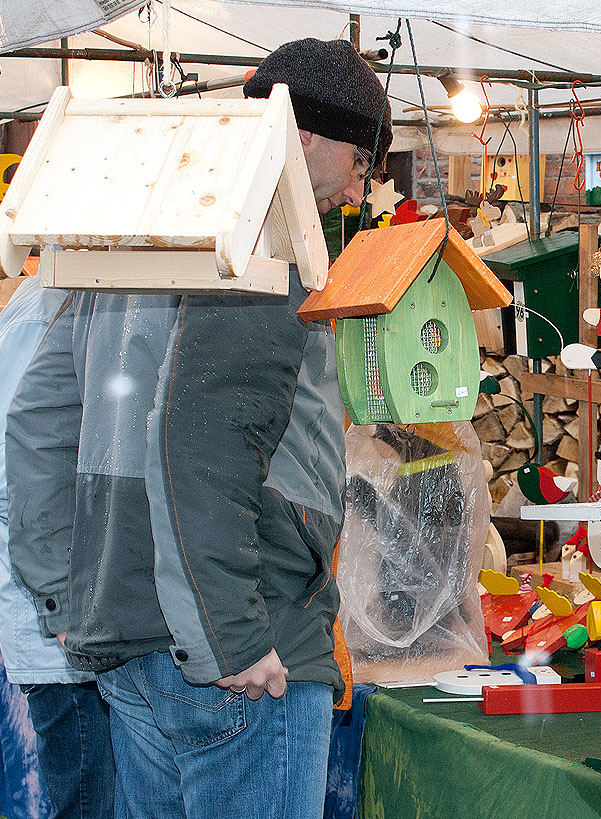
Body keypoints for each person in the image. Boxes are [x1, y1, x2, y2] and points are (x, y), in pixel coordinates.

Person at [6, 37, 390, 819]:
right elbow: (200, 440)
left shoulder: (137, 237)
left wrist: (64, 596)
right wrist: (232, 638)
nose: (361, 185)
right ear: (303, 135)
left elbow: (38, 422)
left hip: (130, 639)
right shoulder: (258, 239)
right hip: (236, 647)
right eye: (361, 158)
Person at [0, 275, 114, 819]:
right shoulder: (43, 307)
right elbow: (15, 479)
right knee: (93, 802)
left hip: (89, 629)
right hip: (64, 645)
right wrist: (66, 611)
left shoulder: (77, 293)